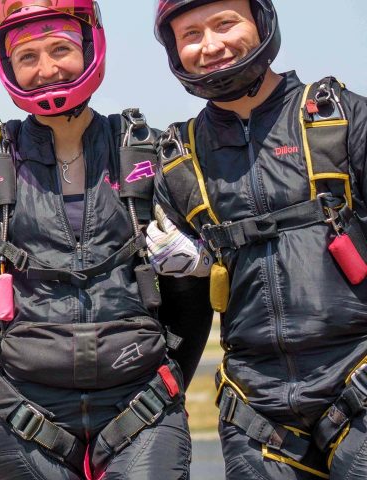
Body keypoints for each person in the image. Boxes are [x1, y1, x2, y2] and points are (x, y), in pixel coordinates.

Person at [0, 1, 208, 478]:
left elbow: (199, 291)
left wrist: (199, 262)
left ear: (90, 46)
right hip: (25, 411)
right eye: (26, 57)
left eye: (60, 49)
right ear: (6, 66)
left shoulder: (152, 154)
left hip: (142, 404)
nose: (46, 69)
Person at [153, 0, 367, 478]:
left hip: (358, 383)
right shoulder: (178, 163)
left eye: (225, 23)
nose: (210, 46)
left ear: (261, 21)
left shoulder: (343, 120)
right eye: (190, 35)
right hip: (257, 413)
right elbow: (183, 313)